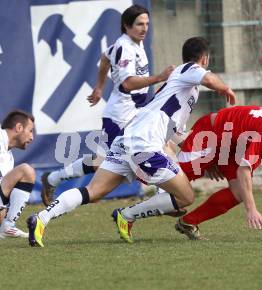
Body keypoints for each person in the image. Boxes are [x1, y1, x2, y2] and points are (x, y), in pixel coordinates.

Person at [27, 36, 236, 247]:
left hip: (129, 140)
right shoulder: (188, 69)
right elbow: (209, 79)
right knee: (185, 197)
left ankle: (41, 219)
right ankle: (126, 215)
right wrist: (225, 88)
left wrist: (205, 164)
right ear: (204, 59)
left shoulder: (182, 88)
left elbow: (178, 135)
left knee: (93, 191)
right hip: (144, 144)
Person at [128, 106, 262, 240]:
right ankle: (129, 195)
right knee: (172, 182)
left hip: (231, 145)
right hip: (210, 133)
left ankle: (188, 223)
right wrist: (251, 209)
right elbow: (245, 171)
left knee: (237, 193)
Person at [40, 4, 175, 206]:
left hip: (135, 113)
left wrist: (99, 87)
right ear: (127, 26)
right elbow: (128, 83)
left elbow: (104, 57)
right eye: (139, 24)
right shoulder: (124, 47)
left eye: (147, 24)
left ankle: (163, 195)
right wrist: (159, 77)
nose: (144, 28)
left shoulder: (134, 43)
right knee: (101, 163)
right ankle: (53, 178)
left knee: (160, 145)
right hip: (120, 117)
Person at [0, 110, 35, 238]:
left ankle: (7, 226)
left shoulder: (9, 158)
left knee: (27, 172)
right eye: (30, 131)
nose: (32, 137)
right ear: (19, 127)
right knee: (26, 170)